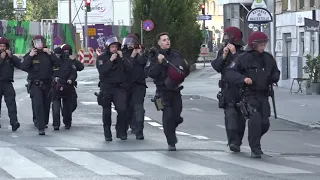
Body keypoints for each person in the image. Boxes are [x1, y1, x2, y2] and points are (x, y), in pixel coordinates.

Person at [225, 31, 280, 158]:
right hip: (250, 94)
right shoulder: (243, 58)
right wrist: (243, 79)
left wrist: (273, 79)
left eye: (264, 43)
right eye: (261, 44)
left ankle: (255, 139)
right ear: (254, 45)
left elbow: (275, 72)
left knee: (265, 123)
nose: (263, 46)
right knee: (255, 120)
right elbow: (230, 73)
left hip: (264, 95)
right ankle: (255, 148)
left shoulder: (268, 58)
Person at [144, 32, 190, 151]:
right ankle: (171, 141)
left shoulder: (176, 54)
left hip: (175, 90)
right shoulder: (154, 56)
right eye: (164, 40)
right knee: (168, 116)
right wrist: (159, 63)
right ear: (159, 43)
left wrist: (181, 75)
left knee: (177, 116)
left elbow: (185, 68)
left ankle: (171, 130)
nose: (167, 41)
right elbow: (150, 73)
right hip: (162, 92)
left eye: (168, 39)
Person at [211, 27, 246, 152]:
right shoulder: (223, 51)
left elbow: (243, 68)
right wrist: (224, 55)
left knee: (241, 120)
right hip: (227, 90)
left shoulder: (242, 52)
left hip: (241, 91)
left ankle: (238, 141)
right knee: (230, 117)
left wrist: (235, 53)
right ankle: (232, 142)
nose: (225, 38)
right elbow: (216, 66)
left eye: (227, 35)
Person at [20, 35, 61, 135]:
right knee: (38, 105)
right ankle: (40, 127)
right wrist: (30, 56)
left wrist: (50, 54)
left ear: (44, 42)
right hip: (35, 84)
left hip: (47, 84)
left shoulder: (48, 54)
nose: (39, 43)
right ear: (33, 43)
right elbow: (23, 67)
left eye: (40, 41)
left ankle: (44, 122)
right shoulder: (30, 55)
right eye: (36, 42)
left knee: (46, 105)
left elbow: (58, 64)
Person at [96, 35, 133, 141]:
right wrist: (111, 61)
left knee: (122, 110)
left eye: (116, 47)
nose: (115, 49)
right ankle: (107, 131)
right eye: (112, 47)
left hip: (119, 88)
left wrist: (122, 58)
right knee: (106, 111)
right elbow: (102, 71)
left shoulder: (122, 58)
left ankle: (121, 131)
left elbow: (130, 68)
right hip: (106, 87)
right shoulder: (102, 58)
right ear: (108, 47)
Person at [122, 33, 147, 140]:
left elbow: (145, 64)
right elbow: (125, 66)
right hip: (126, 85)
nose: (130, 45)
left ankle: (139, 131)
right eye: (129, 42)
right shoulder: (123, 54)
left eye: (133, 42)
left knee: (138, 108)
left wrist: (140, 53)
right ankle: (126, 126)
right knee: (126, 107)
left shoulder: (141, 54)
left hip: (139, 85)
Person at [51, 44, 80, 130]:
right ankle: (56, 124)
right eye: (56, 55)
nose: (57, 56)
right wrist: (53, 79)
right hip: (55, 88)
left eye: (59, 54)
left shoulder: (68, 62)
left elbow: (74, 72)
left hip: (67, 87)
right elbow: (47, 73)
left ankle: (67, 122)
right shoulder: (51, 62)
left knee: (67, 108)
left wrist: (71, 79)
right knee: (56, 108)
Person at [0, 37, 21, 131]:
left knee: (11, 103)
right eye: (0, 46)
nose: (2, 48)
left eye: (4, 46)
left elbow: (20, 65)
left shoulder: (10, 56)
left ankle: (14, 122)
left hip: (7, 83)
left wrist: (12, 56)